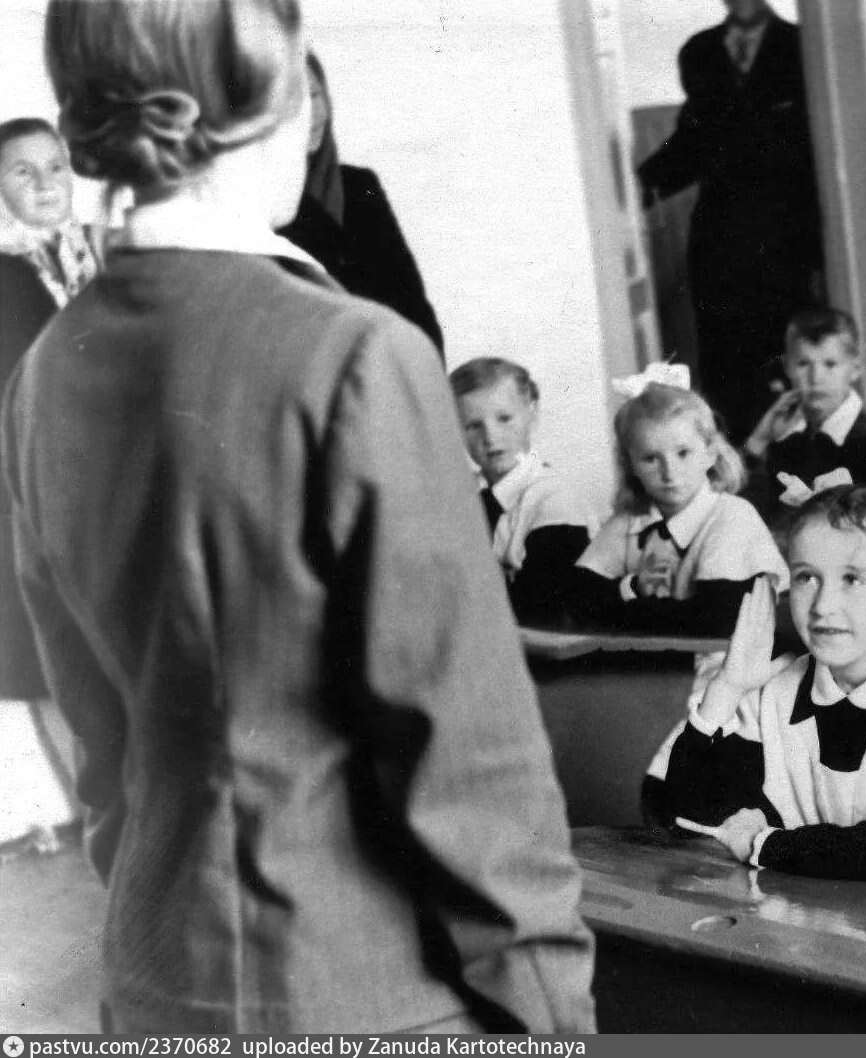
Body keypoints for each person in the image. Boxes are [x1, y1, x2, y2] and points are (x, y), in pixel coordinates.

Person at [3, 0, 593, 1033]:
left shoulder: (44, 373)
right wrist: (554, 1026)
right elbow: (473, 775)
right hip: (373, 995)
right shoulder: (355, 353)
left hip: (155, 982)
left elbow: (96, 745)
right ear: (267, 100)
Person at [643, 484, 866, 883]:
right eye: (806, 577)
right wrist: (726, 689)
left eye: (853, 579)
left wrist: (765, 844)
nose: (823, 606)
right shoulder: (775, 690)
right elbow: (687, 813)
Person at [635, 0, 822, 439]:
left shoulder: (804, 46)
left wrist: (816, 251)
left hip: (785, 238)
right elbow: (692, 143)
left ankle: (796, 450)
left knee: (785, 351)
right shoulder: (699, 52)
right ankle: (730, 452)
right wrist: (634, 192)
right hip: (719, 237)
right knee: (723, 355)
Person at [1, 116, 102, 707]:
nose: (44, 183)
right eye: (23, 172)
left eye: (55, 167)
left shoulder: (103, 252)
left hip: (110, 482)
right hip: (36, 486)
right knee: (53, 665)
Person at [569, 366, 786, 634]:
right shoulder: (631, 520)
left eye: (683, 453)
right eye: (651, 459)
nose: (670, 473)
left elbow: (714, 619)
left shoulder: (732, 515)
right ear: (630, 465)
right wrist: (634, 586)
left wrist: (619, 609)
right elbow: (577, 602)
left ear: (710, 453)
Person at [277, 52, 444, 353]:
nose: (311, 114)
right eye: (294, 103)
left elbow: (412, 301)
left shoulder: (359, 187)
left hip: (394, 362)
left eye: (314, 96)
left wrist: (425, 369)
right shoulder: (271, 207)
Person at [449, 357, 594, 625]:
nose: (490, 437)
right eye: (473, 425)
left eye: (504, 418)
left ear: (532, 412)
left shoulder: (553, 499)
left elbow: (547, 607)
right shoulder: (459, 495)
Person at [744, 307, 866, 519]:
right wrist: (759, 440)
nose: (816, 378)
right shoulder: (787, 441)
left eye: (830, 364)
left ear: (856, 368)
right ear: (787, 367)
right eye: (803, 364)